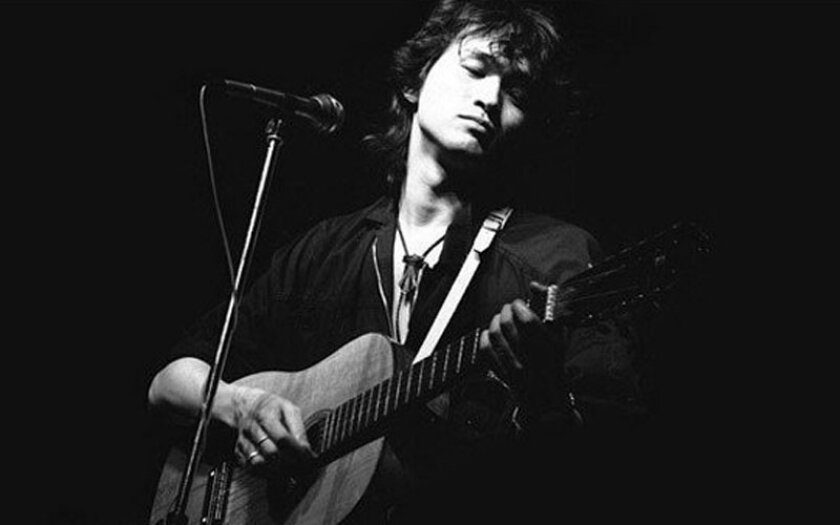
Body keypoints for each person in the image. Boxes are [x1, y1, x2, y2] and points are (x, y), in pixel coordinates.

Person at [148, 1, 646, 522]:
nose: (491, 97)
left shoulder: (558, 257)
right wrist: (241, 407)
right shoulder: (324, 250)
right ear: (414, 81)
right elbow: (169, 383)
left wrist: (545, 399)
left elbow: (614, 467)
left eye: (516, 92)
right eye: (476, 69)